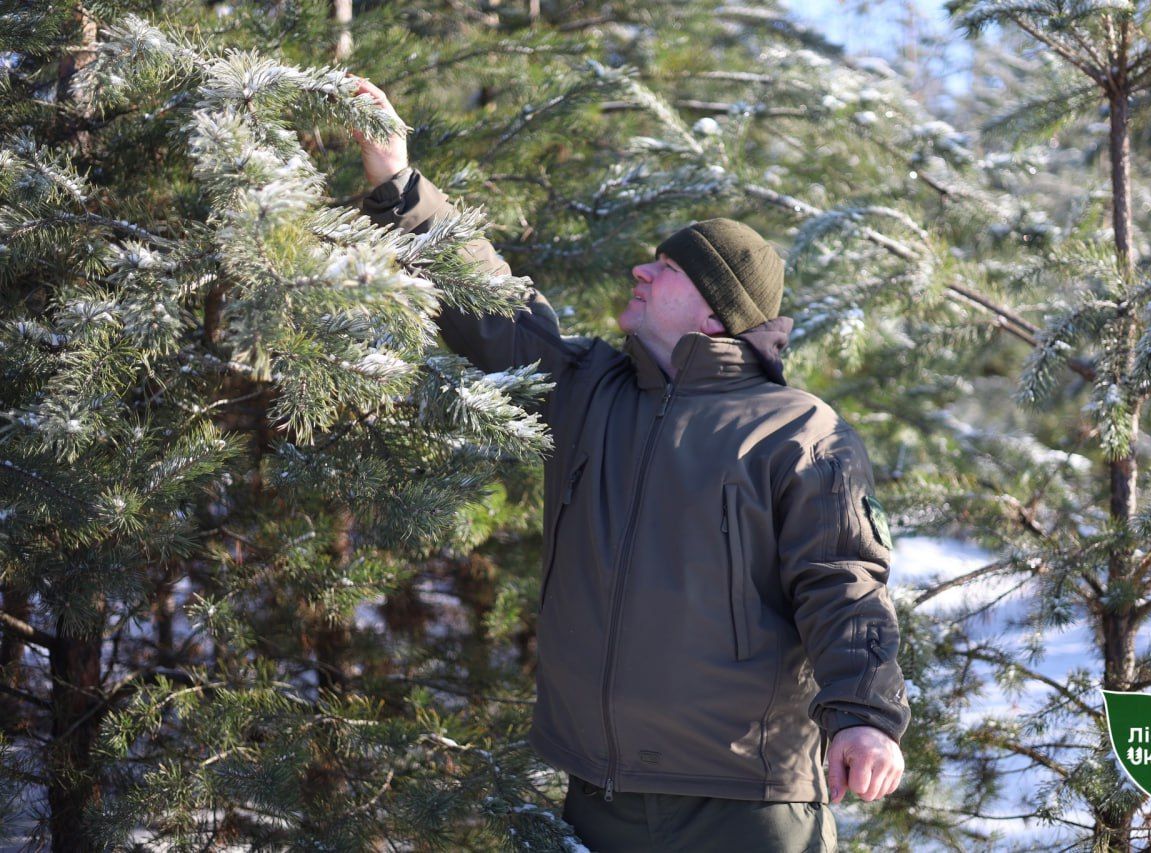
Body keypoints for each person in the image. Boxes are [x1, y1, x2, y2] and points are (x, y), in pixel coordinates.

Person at [349, 77, 909, 853]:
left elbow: (845, 587)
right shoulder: (589, 390)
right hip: (599, 799)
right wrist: (398, 179)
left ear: (716, 314)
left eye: (667, 270)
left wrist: (867, 718)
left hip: (744, 807)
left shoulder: (798, 432)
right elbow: (495, 304)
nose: (642, 274)